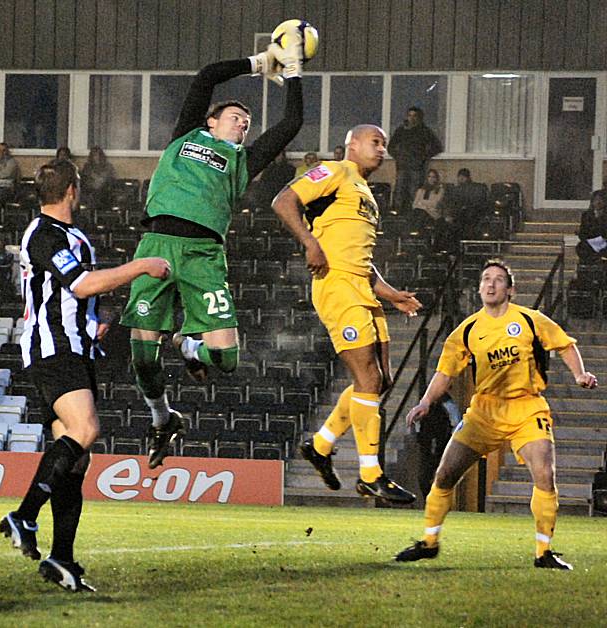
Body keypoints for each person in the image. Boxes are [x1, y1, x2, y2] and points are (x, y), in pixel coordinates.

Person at [119, 40, 304, 469]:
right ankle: (163, 419)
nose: (243, 126)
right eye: (236, 118)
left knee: (226, 359)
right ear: (211, 121)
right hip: (158, 245)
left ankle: (189, 349)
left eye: (247, 122)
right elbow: (206, 76)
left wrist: (294, 72)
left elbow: (291, 121)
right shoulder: (185, 136)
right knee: (142, 357)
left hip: (204, 255)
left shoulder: (244, 160)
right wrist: (259, 64)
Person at [0, 159, 170, 592]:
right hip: (53, 349)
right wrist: (140, 266)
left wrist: (97, 319)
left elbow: (75, 294)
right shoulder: (44, 234)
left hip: (74, 346)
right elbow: (78, 284)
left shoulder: (65, 234)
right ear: (73, 190)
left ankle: (61, 559)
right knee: (87, 429)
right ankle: (24, 514)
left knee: (74, 456)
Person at [395, 259, 597, 570]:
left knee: (544, 474)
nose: (490, 284)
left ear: (510, 289)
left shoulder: (530, 320)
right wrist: (425, 402)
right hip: (484, 411)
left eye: (498, 280)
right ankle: (429, 542)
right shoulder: (468, 330)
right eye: (485, 279)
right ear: (479, 288)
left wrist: (579, 374)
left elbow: (564, 345)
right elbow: (445, 372)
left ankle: (543, 552)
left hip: (526, 408)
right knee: (445, 474)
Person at [272, 124, 421, 504]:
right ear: (351, 144)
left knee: (381, 380)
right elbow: (283, 201)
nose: (382, 150)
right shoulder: (334, 171)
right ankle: (371, 474)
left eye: (385, 145)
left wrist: (390, 294)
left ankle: (320, 446)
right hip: (336, 285)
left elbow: (362, 257)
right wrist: (309, 243)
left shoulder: (366, 192)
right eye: (375, 142)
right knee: (368, 377)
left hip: (361, 287)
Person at [388, 107, 442, 214]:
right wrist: (398, 157)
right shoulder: (401, 130)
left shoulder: (424, 131)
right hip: (402, 167)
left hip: (416, 168)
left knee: (414, 192)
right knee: (399, 191)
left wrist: (423, 157)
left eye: (414, 116)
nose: (412, 118)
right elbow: (391, 147)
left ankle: (412, 215)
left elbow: (437, 147)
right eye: (410, 115)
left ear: (419, 118)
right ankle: (397, 214)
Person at [575, 190, 607, 264]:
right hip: (590, 242)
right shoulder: (586, 215)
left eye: (601, 200)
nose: (598, 202)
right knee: (581, 247)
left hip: (604, 241)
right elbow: (583, 231)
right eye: (596, 200)